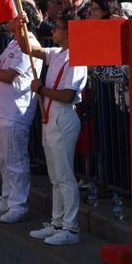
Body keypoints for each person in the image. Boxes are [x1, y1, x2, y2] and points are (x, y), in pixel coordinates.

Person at [16, 13, 88, 245]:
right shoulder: (57, 54)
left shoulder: (77, 58)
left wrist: (41, 89)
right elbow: (29, 49)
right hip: (51, 118)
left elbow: (68, 95)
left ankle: (71, 228)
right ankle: (57, 223)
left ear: (69, 32)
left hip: (64, 118)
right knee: (55, 177)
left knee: (65, 176)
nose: (52, 31)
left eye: (57, 28)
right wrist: (20, 28)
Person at [0, 4, 41, 223]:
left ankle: (18, 204)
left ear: (21, 19)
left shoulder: (30, 43)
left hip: (16, 111)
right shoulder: (13, 44)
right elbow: (0, 65)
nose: (5, 19)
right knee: (3, 159)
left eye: (10, 16)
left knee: (15, 159)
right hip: (2, 109)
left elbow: (8, 76)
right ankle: (6, 199)